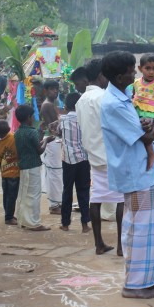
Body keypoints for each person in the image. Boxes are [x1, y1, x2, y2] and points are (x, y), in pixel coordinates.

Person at [100, 51, 154, 299]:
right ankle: (134, 284)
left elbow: (143, 127)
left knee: (153, 227)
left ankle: (148, 279)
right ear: (117, 75)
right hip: (137, 173)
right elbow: (147, 136)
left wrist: (149, 122)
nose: (135, 73)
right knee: (140, 228)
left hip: (146, 172)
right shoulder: (113, 103)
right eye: (130, 70)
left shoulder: (125, 96)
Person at [76, 59, 123, 255]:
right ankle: (121, 246)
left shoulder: (80, 101)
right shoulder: (105, 97)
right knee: (121, 199)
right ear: (101, 76)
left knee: (96, 199)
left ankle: (99, 244)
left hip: (93, 156)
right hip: (112, 154)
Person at [14, 104, 55, 231]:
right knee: (34, 195)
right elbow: (39, 150)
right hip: (33, 166)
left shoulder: (18, 132)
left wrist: (41, 133)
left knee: (24, 194)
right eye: (32, 116)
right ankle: (34, 223)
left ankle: (23, 219)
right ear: (28, 117)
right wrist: (47, 141)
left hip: (23, 166)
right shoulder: (31, 132)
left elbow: (34, 144)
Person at [57, 92, 91, 233]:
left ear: (65, 105)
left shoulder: (62, 120)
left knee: (67, 191)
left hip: (68, 160)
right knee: (83, 191)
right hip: (83, 159)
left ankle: (65, 223)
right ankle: (85, 225)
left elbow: (59, 133)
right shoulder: (85, 119)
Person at [40, 79, 64, 215]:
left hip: (53, 140)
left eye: (56, 88)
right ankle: (54, 205)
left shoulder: (51, 104)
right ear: (46, 91)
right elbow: (54, 128)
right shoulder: (47, 105)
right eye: (52, 89)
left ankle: (56, 202)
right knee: (55, 172)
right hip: (53, 140)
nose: (55, 91)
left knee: (56, 172)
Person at [0, 120, 19, 226]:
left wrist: (4, 170)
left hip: (5, 174)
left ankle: (8, 215)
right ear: (9, 129)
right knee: (12, 196)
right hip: (15, 174)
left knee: (6, 195)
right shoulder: (14, 138)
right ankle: (8, 217)